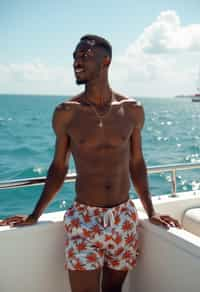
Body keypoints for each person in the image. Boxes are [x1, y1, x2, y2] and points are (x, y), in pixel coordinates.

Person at [0, 35, 181, 292]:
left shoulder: (132, 110)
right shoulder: (66, 112)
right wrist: (34, 215)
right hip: (84, 220)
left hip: (123, 217)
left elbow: (137, 163)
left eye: (84, 55)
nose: (77, 61)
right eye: (75, 56)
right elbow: (58, 168)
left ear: (106, 61)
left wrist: (150, 212)